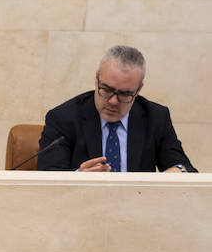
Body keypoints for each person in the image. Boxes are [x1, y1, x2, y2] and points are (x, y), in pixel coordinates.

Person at [38, 45, 195, 172]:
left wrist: (178, 171)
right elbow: (47, 175)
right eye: (106, 89)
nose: (113, 101)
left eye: (125, 94)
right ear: (96, 78)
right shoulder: (63, 118)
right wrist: (78, 177)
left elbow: (185, 168)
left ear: (138, 89)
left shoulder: (156, 117)